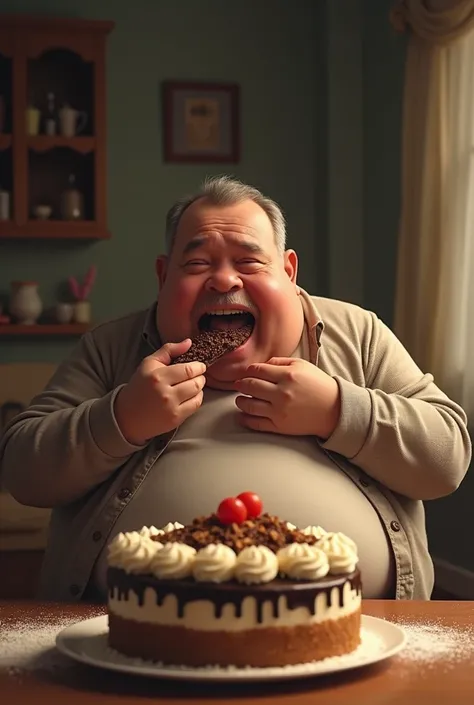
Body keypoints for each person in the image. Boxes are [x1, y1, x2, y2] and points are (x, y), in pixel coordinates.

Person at [0, 176, 471, 602]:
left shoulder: (359, 333)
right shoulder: (111, 348)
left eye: (248, 261)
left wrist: (336, 410)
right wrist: (121, 419)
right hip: (132, 636)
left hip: (364, 632)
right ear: (164, 277)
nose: (224, 279)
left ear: (288, 271)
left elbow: (446, 459)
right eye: (198, 262)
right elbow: (23, 470)